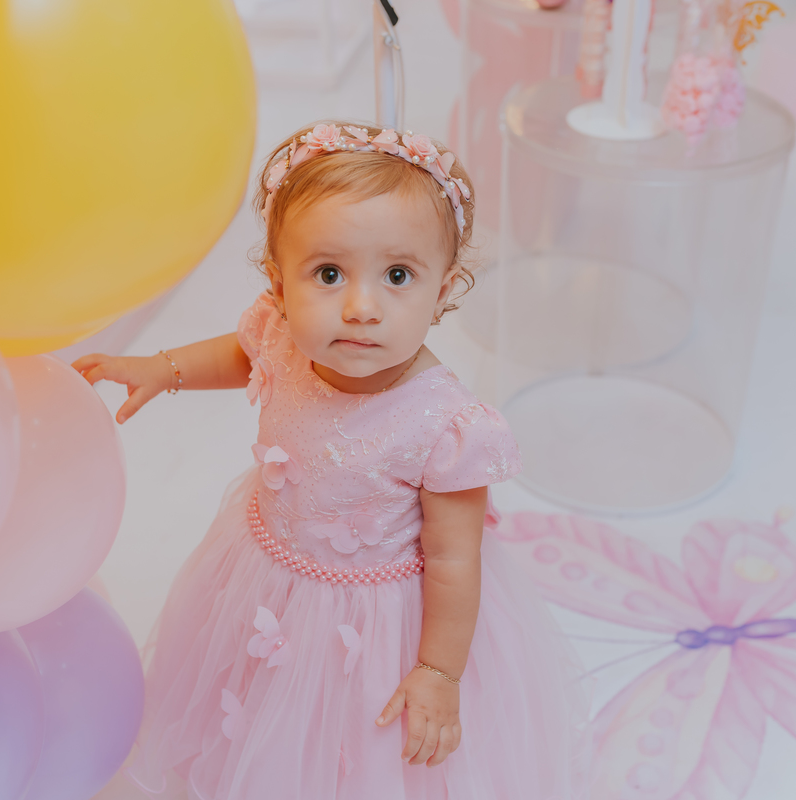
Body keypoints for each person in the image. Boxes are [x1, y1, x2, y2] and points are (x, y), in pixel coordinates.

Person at [73, 122, 587, 800]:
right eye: (328, 273)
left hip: (382, 622)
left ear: (444, 290)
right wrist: (162, 368)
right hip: (268, 579)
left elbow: (457, 561)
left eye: (398, 275)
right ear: (280, 286)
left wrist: (437, 671)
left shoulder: (447, 427)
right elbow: (241, 352)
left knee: (354, 746)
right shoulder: (286, 336)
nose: (361, 307)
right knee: (256, 708)